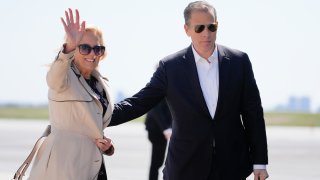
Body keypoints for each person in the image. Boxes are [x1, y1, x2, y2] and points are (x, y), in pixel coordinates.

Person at [110, 1, 269, 180]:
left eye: (212, 27)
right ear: (187, 30)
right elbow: (139, 103)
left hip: (231, 167)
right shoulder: (170, 67)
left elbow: (253, 113)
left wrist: (260, 162)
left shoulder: (239, 61)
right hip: (185, 167)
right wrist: (99, 114)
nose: (207, 34)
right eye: (199, 28)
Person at [28, 9, 114, 180]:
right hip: (65, 167)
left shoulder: (101, 83)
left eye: (97, 49)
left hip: (93, 167)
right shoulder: (64, 77)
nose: (92, 54)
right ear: (74, 49)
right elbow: (53, 78)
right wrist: (68, 46)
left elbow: (91, 124)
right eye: (84, 48)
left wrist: (106, 145)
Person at [145, 99, 172, 180]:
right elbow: (156, 110)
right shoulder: (164, 88)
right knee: (156, 162)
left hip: (162, 128)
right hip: (156, 129)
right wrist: (165, 129)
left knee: (158, 162)